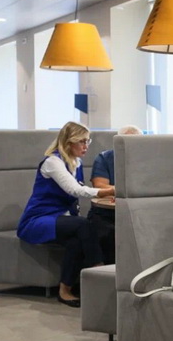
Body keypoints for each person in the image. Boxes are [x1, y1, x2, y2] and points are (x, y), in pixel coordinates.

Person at [17, 121, 115, 308]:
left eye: (88, 141)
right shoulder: (52, 162)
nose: (86, 146)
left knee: (77, 240)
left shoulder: (76, 162)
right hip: (37, 219)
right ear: (69, 142)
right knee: (84, 225)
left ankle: (66, 290)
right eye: (82, 141)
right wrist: (109, 191)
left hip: (59, 218)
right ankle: (100, 273)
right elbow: (75, 190)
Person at [87, 125, 142, 264]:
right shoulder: (104, 158)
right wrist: (124, 190)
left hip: (137, 213)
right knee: (108, 235)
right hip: (107, 215)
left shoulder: (145, 160)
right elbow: (100, 186)